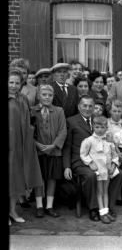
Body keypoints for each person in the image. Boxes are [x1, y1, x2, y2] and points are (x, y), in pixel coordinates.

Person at [63, 95, 122, 222]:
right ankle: (94, 208)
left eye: (90, 106)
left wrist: (113, 163)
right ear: (79, 106)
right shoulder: (71, 121)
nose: (87, 108)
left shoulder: (99, 121)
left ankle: (108, 207)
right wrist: (67, 166)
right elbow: (67, 146)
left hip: (102, 160)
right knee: (91, 176)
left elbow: (109, 144)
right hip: (81, 160)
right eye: (84, 105)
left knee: (119, 174)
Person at [9, 69, 44, 224]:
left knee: (17, 178)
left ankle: (12, 210)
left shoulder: (22, 98)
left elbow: (27, 118)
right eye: (11, 82)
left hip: (21, 143)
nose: (14, 86)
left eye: (17, 83)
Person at [31, 85, 67, 218]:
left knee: (52, 178)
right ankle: (39, 205)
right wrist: (36, 144)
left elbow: (63, 130)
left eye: (50, 95)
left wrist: (54, 145)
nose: (47, 97)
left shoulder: (59, 111)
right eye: (44, 94)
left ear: (53, 97)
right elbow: (28, 130)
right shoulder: (32, 111)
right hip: (38, 151)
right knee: (39, 179)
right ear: (39, 96)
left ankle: (49, 206)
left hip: (54, 151)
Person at [80, 116, 119, 224]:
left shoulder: (109, 142)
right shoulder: (89, 141)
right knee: (99, 191)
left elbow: (115, 155)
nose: (100, 130)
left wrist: (113, 165)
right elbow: (83, 154)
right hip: (98, 170)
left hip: (107, 171)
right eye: (97, 127)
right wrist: (90, 162)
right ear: (93, 127)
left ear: (106, 127)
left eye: (102, 127)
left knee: (105, 191)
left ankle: (106, 211)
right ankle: (102, 213)